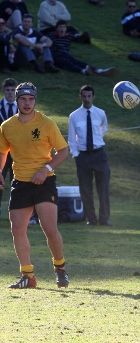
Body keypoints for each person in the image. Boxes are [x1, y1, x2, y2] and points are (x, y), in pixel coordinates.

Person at [0, 82, 70, 289]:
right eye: (23, 99)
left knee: (49, 229)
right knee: (17, 230)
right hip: (20, 183)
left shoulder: (46, 123)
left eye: (31, 99)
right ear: (17, 100)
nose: (27, 103)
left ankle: (60, 268)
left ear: (35, 100)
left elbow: (63, 151)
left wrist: (45, 170)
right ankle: (28, 276)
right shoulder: (7, 126)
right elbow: (3, 152)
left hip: (44, 182)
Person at [68, 85, 112, 227]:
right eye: (84, 96)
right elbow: (71, 138)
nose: (87, 99)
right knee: (86, 189)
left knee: (103, 188)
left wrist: (96, 142)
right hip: (83, 156)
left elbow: (103, 129)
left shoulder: (100, 113)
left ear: (93, 97)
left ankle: (104, 219)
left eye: (89, 96)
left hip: (99, 154)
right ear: (80, 97)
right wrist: (76, 155)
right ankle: (91, 219)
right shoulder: (74, 116)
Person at [47, 20, 116, 75]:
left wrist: (78, 35)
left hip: (65, 53)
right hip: (55, 54)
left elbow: (81, 39)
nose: (62, 29)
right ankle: (83, 71)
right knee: (67, 63)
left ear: (66, 29)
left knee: (76, 62)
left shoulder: (69, 36)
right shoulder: (51, 35)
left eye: (64, 27)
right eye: (60, 27)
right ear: (56, 28)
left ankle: (99, 71)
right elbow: (43, 39)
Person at [0, 77, 15, 216]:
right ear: (3, 91)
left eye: (13, 90)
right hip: (1, 151)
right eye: (8, 90)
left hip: (17, 152)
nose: (10, 93)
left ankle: (18, 211)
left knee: (18, 183)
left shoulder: (23, 108)